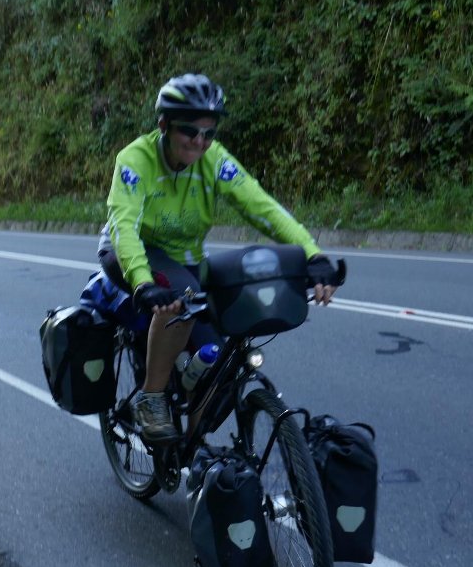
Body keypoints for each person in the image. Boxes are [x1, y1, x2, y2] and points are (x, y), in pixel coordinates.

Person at [97, 73, 340, 444]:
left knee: (221, 361)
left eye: (209, 133)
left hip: (189, 259)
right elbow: (125, 226)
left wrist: (312, 253)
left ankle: (195, 454)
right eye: (189, 131)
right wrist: (142, 281)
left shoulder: (214, 160)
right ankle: (151, 397)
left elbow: (262, 208)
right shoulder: (135, 160)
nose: (200, 141)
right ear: (164, 125)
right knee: (183, 298)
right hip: (130, 254)